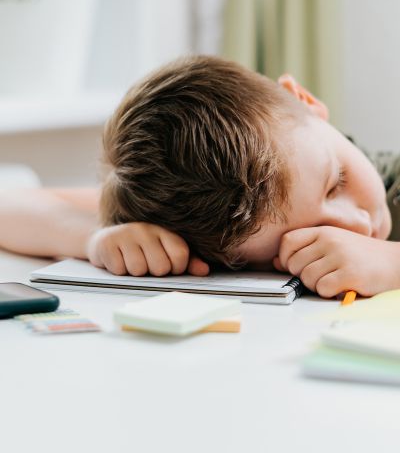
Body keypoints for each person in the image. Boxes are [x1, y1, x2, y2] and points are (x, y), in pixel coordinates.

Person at [1, 56, 400, 298]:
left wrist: (392, 265)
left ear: (306, 102)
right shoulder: (209, 219)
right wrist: (95, 237)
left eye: (337, 183)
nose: (358, 226)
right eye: (302, 243)